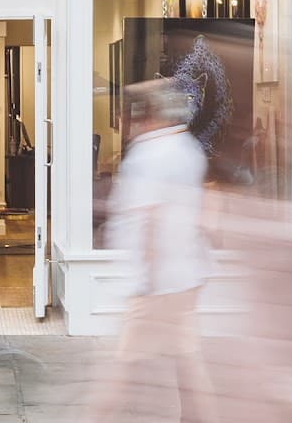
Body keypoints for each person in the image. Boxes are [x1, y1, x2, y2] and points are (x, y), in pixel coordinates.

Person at [88, 78, 218, 423]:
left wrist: (146, 280)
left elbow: (150, 221)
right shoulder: (188, 148)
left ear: (145, 117)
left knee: (122, 366)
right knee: (188, 357)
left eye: (127, 115)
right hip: (187, 274)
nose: (123, 124)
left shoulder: (148, 154)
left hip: (158, 281)